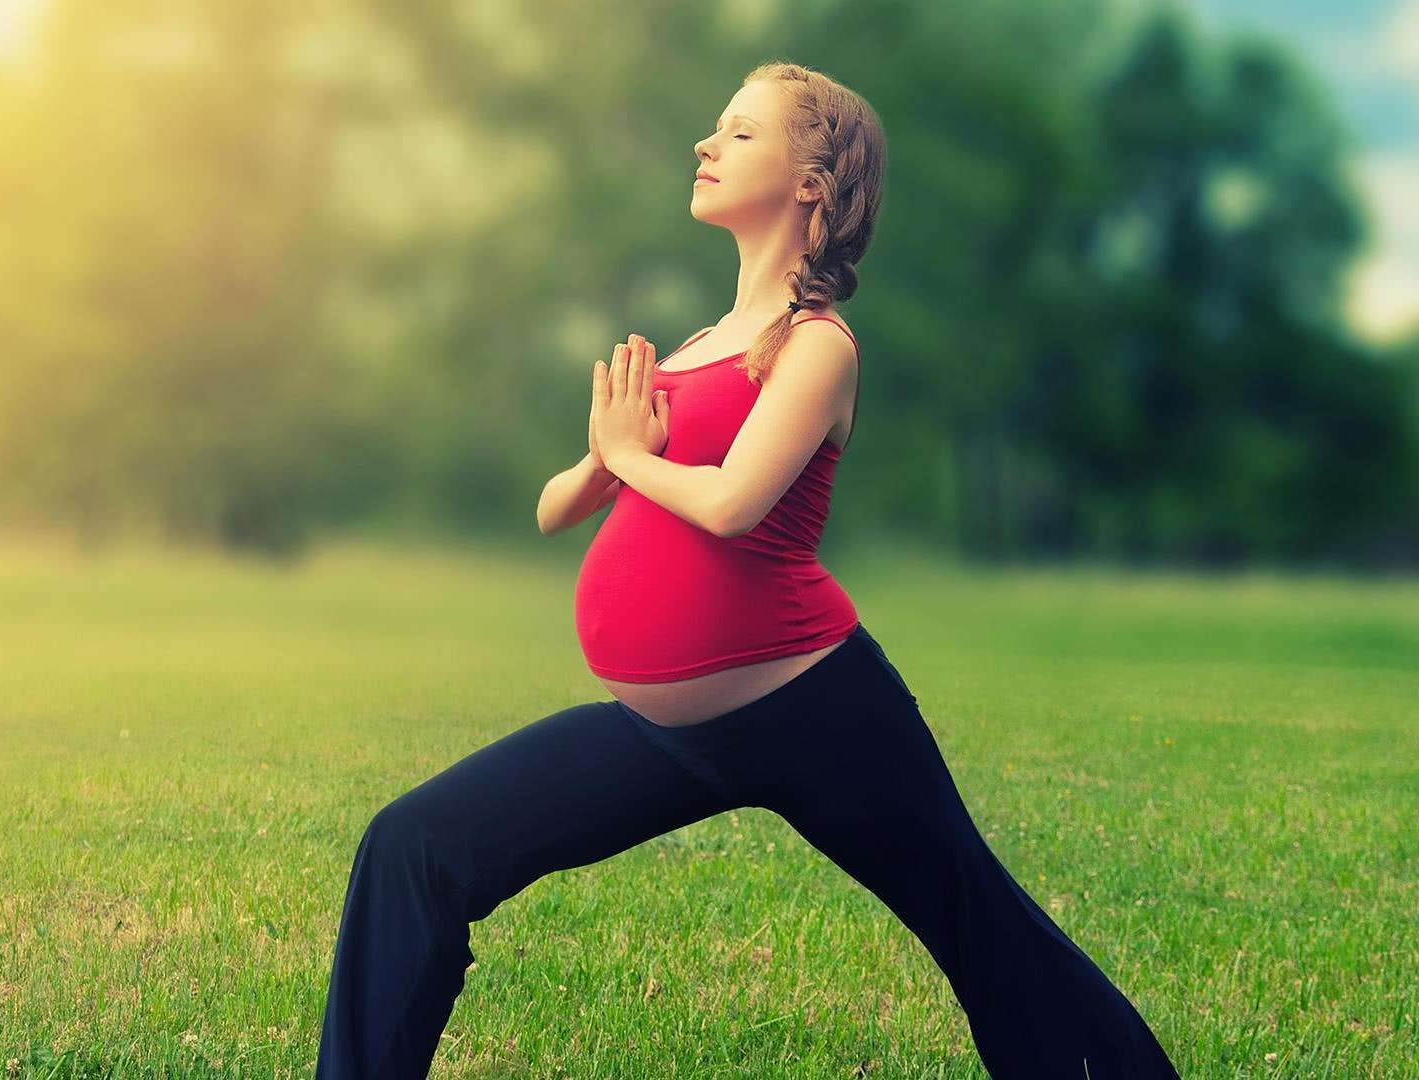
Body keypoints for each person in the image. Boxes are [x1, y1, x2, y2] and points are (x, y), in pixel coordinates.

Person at [315, 61, 1181, 1078]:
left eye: (736, 133)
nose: (704, 146)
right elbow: (557, 509)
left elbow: (732, 505)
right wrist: (606, 451)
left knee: (978, 921)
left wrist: (635, 457)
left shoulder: (818, 348)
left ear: (811, 181)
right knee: (415, 844)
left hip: (816, 709)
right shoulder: (691, 346)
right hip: (661, 733)